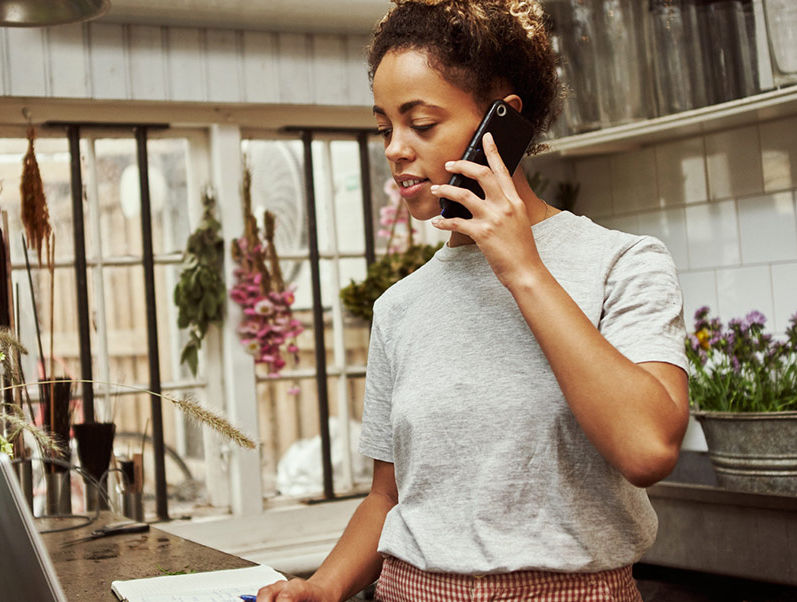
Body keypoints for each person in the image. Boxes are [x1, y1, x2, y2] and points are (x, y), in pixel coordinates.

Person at [255, 1, 691, 600]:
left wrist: (524, 270)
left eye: (421, 124)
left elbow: (648, 448)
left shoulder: (623, 264)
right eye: (385, 127)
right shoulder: (399, 309)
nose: (395, 149)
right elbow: (389, 496)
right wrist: (323, 588)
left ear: (501, 120)